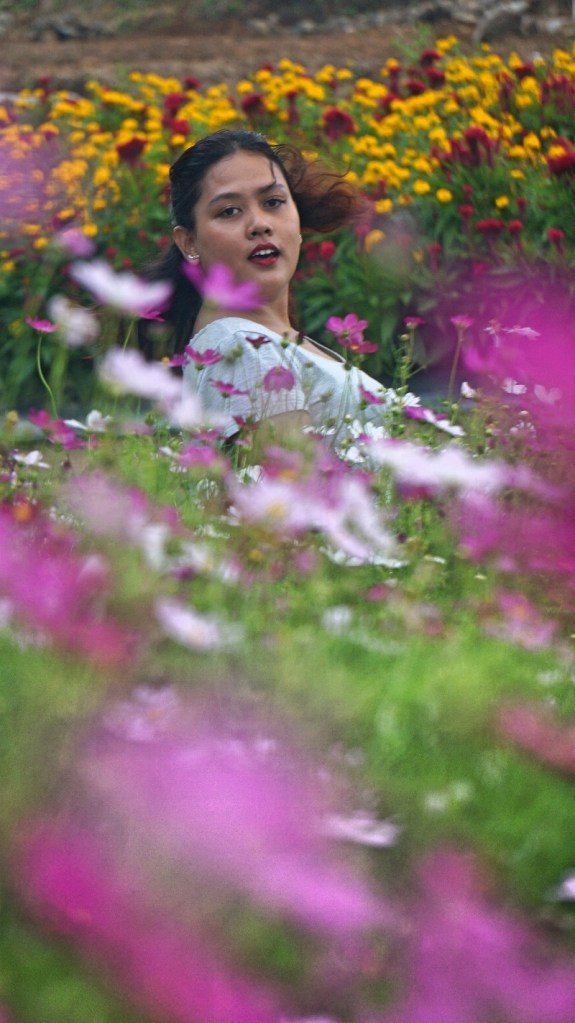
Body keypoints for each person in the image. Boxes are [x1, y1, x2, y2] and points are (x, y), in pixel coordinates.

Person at [148, 128, 399, 449]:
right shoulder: (243, 347)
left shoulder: (263, 344)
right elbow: (290, 492)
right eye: (229, 211)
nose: (260, 224)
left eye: (273, 202)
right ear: (190, 243)